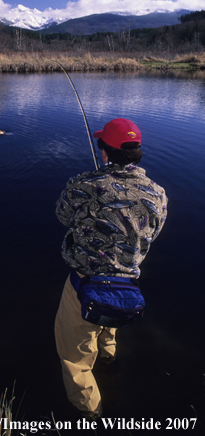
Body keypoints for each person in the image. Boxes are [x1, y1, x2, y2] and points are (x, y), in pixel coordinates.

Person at [54, 118, 168, 419]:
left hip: (85, 286)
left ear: (104, 151)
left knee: (73, 356)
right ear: (136, 151)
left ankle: (90, 410)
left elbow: (62, 215)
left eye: (101, 144)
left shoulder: (83, 185)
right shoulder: (158, 194)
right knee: (108, 323)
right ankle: (108, 357)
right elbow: (151, 235)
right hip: (127, 287)